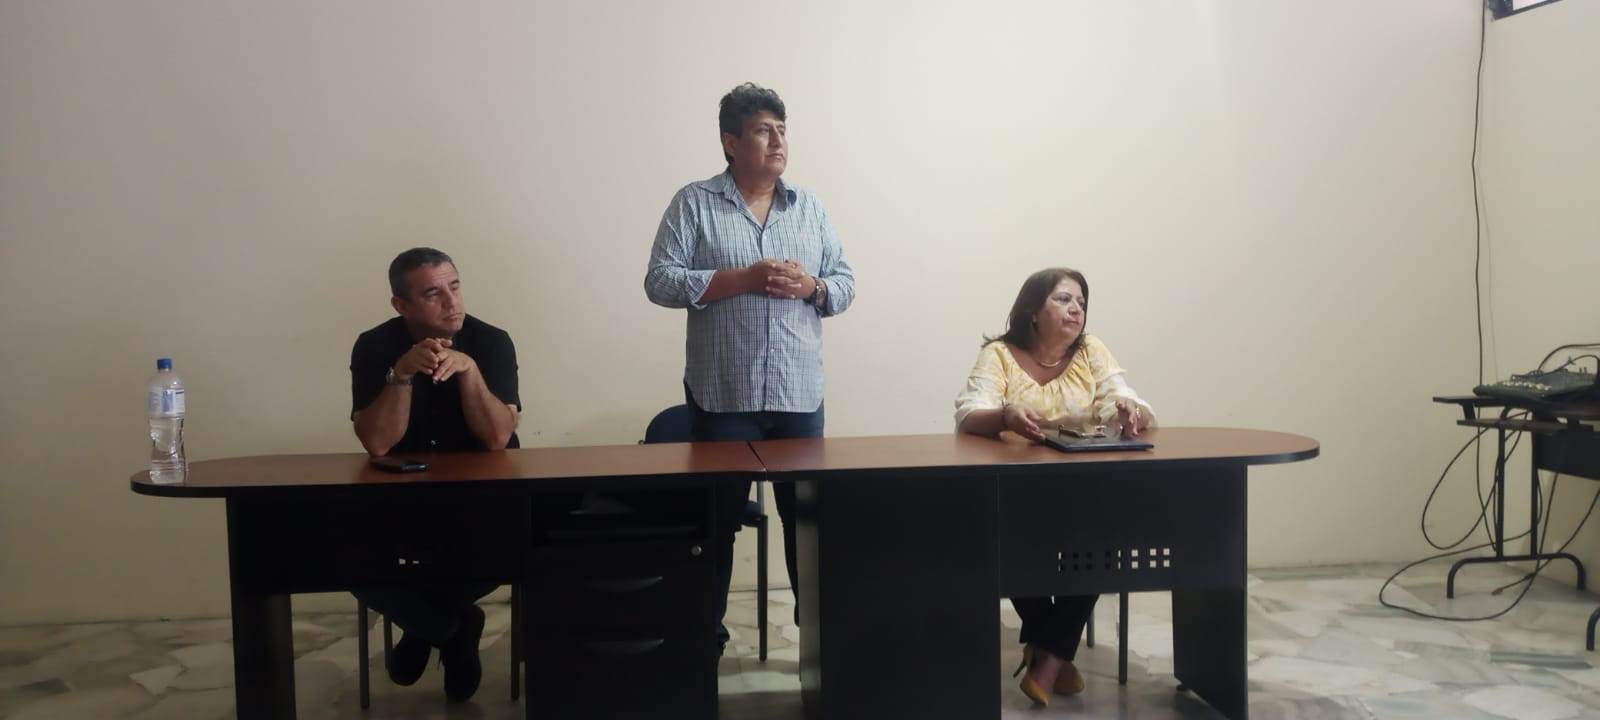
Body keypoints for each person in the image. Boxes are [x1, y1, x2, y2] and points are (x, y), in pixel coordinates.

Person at [644, 82, 856, 653]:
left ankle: (818, 648)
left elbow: (845, 284)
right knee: (715, 525)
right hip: (724, 397)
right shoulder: (694, 203)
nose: (778, 140)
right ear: (731, 142)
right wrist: (741, 278)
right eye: (764, 130)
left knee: (807, 523)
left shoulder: (810, 207)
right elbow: (659, 281)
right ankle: (704, 643)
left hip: (798, 396)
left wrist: (812, 287)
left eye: (782, 130)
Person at [953, 267, 1155, 706]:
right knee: (1000, 542)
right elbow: (969, 415)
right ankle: (1055, 653)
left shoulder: (1091, 351)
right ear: (1032, 309)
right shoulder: (999, 355)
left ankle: (1046, 657)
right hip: (1014, 491)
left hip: (1083, 490)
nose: (1076, 309)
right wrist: (1006, 415)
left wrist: (1130, 411)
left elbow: (1123, 398)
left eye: (1081, 302)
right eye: (1063, 299)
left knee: (1104, 544)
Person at [349, 247, 521, 702]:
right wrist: (400, 375)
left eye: (455, 287)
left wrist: (470, 372)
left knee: (506, 553)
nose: (452, 302)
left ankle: (423, 626)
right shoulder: (375, 345)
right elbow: (377, 443)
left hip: (482, 503)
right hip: (401, 500)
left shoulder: (491, 341)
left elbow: (497, 438)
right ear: (401, 305)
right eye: (433, 293)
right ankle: (452, 628)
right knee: (346, 559)